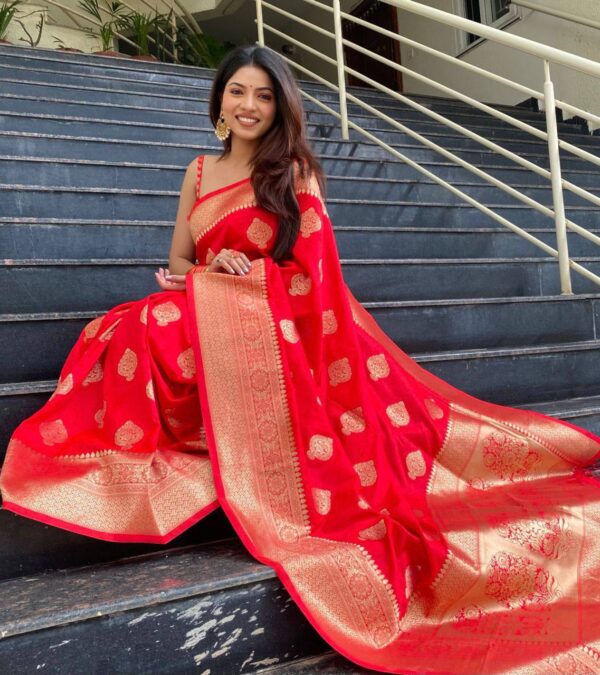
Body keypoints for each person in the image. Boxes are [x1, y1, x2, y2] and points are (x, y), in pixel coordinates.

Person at [2, 44, 600, 675]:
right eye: (238, 92)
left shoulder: (291, 172)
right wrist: (209, 271)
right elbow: (178, 260)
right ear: (219, 102)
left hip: (276, 324)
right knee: (120, 326)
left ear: (280, 106)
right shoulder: (200, 172)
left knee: (152, 321)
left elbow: (314, 277)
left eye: (264, 95)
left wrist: (247, 277)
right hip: (213, 306)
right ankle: (127, 457)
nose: (249, 106)